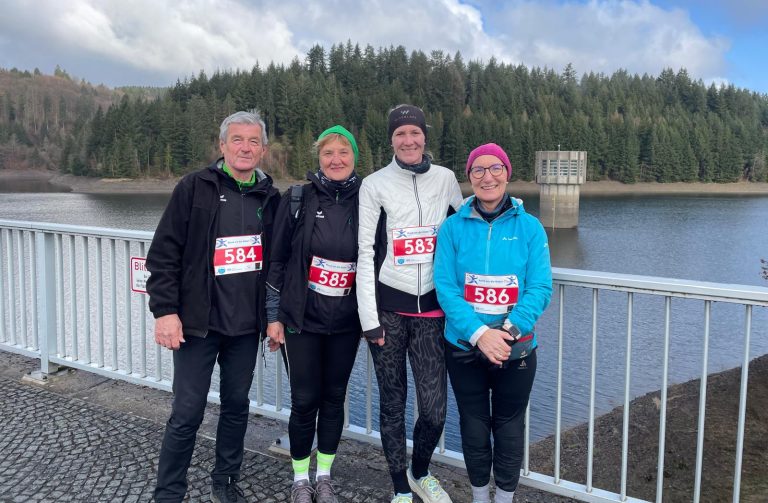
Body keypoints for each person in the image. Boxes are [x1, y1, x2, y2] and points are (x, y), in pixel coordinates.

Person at [146, 110, 279, 503]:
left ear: (263, 150)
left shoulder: (271, 198)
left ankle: (225, 480)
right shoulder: (194, 188)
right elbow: (164, 254)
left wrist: (275, 318)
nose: (245, 147)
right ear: (222, 146)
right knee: (187, 412)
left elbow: (278, 265)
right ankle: (169, 492)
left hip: (244, 327)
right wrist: (164, 311)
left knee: (237, 407)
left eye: (253, 141)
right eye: (237, 139)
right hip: (197, 325)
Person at [356, 104, 463, 503]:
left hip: (433, 312)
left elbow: (463, 233)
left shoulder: (446, 179)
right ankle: (400, 485)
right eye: (400, 134)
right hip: (388, 311)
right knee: (393, 402)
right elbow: (364, 251)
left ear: (424, 136)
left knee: (434, 409)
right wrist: (369, 319)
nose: (408, 140)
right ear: (391, 140)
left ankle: (421, 472)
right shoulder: (375, 184)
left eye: (414, 133)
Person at [433, 143, 552, 503]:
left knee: (509, 428)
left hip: (516, 348)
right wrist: (480, 334)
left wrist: (506, 332)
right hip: (464, 345)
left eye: (495, 168)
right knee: (473, 426)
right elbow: (446, 288)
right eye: (478, 170)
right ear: (469, 178)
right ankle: (479, 496)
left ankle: (504, 498)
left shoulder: (530, 228)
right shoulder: (452, 228)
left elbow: (540, 287)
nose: (488, 177)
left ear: (507, 173)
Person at [265, 125, 362, 503]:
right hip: (300, 319)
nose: (335, 159)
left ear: (354, 157)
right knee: (305, 400)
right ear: (318, 158)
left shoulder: (367, 199)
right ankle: (300, 480)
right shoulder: (298, 198)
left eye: (343, 152)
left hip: (346, 321)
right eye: (328, 153)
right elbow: (277, 262)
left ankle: (324, 476)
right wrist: (273, 317)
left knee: (334, 399)